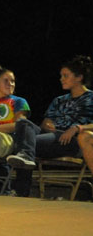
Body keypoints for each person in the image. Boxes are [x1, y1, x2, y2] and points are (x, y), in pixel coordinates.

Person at [6, 56, 93, 196]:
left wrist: (78, 128)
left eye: (66, 76)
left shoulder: (90, 98)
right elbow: (44, 124)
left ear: (79, 77)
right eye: (61, 76)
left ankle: (21, 191)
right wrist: (47, 124)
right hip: (51, 136)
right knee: (23, 123)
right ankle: (26, 158)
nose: (61, 79)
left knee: (24, 144)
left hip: (71, 140)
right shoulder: (59, 100)